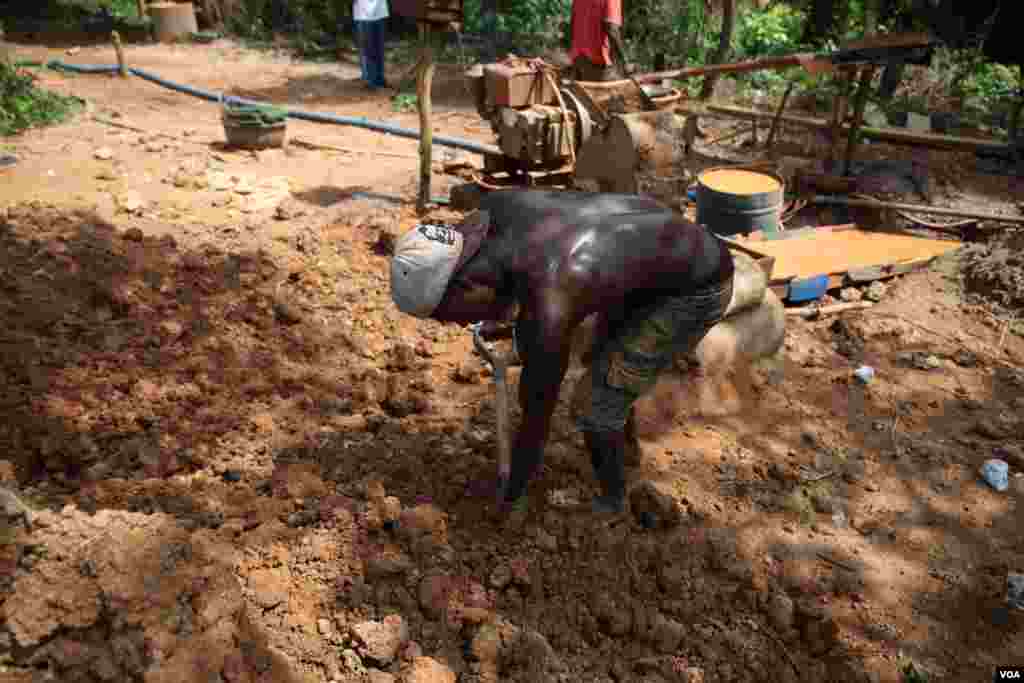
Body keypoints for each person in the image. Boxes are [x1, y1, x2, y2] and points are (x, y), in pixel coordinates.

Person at [389, 190, 735, 515]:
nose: (458, 325)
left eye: (449, 316)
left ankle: (612, 501)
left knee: (595, 406)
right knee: (604, 360)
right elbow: (524, 274)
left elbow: (537, 415)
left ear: (463, 285)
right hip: (652, 252)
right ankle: (624, 447)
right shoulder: (493, 212)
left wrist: (514, 489)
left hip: (693, 289)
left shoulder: (550, 302)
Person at [568, 0, 631, 82]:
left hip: (578, 61)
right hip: (598, 63)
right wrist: (625, 62)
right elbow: (612, 29)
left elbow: (572, 25)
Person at [353, 0, 389, 90]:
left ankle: (379, 79)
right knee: (367, 50)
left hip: (380, 11)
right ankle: (369, 81)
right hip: (363, 13)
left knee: (379, 49)